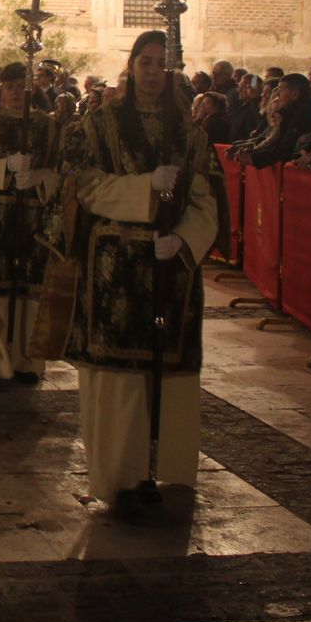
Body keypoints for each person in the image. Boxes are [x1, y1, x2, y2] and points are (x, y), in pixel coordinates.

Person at [55, 32, 224, 516]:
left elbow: (204, 200)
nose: (152, 72)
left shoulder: (188, 135)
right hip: (115, 269)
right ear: (131, 65)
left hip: (171, 272)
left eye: (160, 64)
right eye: (144, 62)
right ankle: (120, 475)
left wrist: (186, 238)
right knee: (118, 381)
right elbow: (82, 186)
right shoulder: (100, 124)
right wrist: (141, 188)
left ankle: (163, 468)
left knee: (167, 378)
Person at [0, 62, 59, 392]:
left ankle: (27, 361)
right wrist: (3, 168)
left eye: (22, 86)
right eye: (10, 86)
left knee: (30, 293)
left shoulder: (50, 128)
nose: (16, 92)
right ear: (1, 90)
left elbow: (66, 171)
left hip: (35, 219)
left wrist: (41, 178)